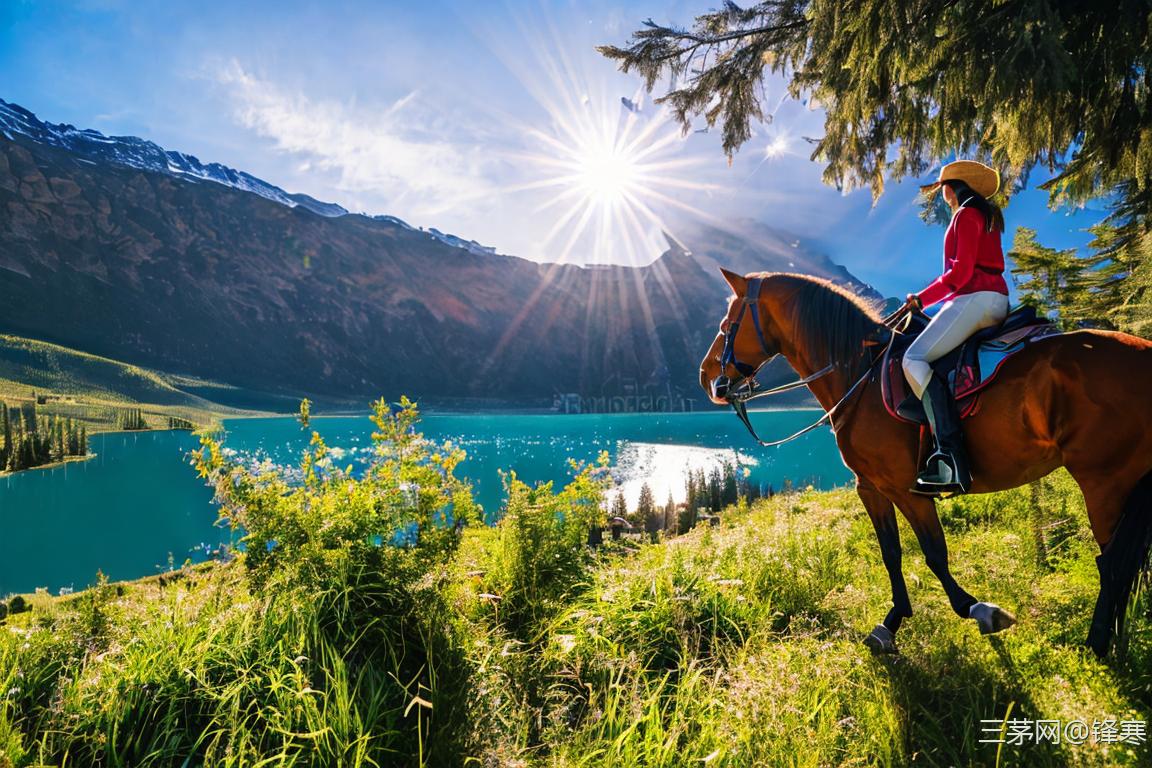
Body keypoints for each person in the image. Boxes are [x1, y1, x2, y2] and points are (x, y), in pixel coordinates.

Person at [902, 160, 1009, 496]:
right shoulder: (987, 215)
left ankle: (949, 454)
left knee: (913, 359)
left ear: (952, 187)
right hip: (996, 300)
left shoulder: (965, 215)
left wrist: (920, 299)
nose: (941, 195)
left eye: (942, 188)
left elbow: (959, 276)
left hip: (974, 299)